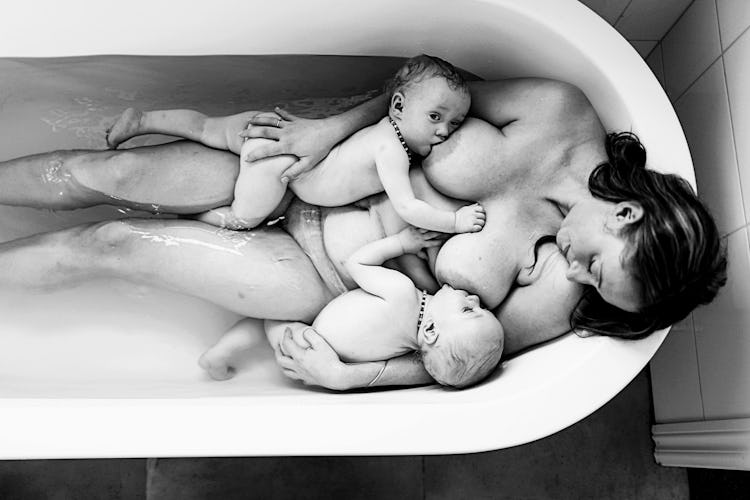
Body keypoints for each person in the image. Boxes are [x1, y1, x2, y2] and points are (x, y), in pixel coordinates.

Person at [0, 77, 727, 390]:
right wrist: (328, 129)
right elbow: (428, 85)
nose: (578, 271)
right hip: (306, 169)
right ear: (628, 212)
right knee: (104, 173)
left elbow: (460, 359)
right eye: (598, 264)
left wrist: (355, 377)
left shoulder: (558, 292)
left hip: (318, 274)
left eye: (594, 285)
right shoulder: (557, 114)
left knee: (114, 245)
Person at [105, 55, 486, 233]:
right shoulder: (391, 151)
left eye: (455, 123)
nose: (444, 131)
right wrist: (455, 221)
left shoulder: (384, 127)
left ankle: (143, 121)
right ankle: (182, 218)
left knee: (207, 127)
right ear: (399, 106)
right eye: (435, 117)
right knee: (241, 220)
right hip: (282, 171)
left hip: (279, 129)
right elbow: (407, 207)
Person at [199, 226, 504, 388]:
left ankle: (220, 352)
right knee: (265, 325)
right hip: (318, 338)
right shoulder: (408, 348)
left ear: (432, 330)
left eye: (468, 310)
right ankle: (219, 354)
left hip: (306, 339)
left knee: (269, 316)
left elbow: (357, 263)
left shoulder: (402, 293)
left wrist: (401, 242)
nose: (475, 299)